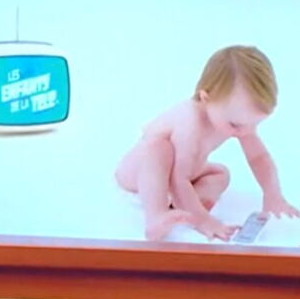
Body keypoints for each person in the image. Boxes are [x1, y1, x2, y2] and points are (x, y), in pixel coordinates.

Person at [115, 45, 298, 242]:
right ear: (205, 98)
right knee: (160, 148)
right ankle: (156, 216)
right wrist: (205, 222)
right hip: (139, 175)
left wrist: (273, 194)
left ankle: (187, 206)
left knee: (220, 174)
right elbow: (178, 178)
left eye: (254, 124)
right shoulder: (190, 121)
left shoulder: (234, 118)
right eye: (235, 125)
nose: (245, 132)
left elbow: (259, 158)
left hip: (182, 174)